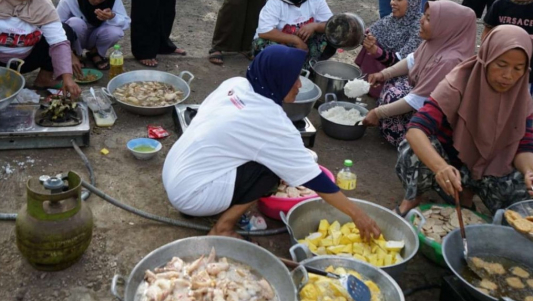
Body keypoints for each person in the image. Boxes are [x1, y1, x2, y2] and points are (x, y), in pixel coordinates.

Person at [162, 45, 381, 240]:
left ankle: (205, 205)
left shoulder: (236, 84)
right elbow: (314, 177)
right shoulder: (270, 121)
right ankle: (223, 227)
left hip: (175, 173)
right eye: (292, 79)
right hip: (192, 195)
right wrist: (357, 214)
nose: (298, 85)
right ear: (277, 80)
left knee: (258, 158)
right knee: (269, 171)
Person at [395, 25, 533, 217]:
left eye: (518, 68)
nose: (508, 76)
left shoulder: (520, 96)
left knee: (530, 196)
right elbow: (416, 129)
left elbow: (523, 145)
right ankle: (412, 199)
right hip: (451, 166)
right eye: (501, 64)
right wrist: (440, 167)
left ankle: (499, 223)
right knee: (411, 150)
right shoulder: (458, 82)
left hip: (490, 169)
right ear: (487, 58)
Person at [364, 1, 477, 147]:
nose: (421, 20)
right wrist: (384, 74)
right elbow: (412, 60)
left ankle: (406, 139)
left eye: (429, 19)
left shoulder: (450, 60)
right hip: (421, 93)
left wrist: (378, 113)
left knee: (393, 96)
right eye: (425, 15)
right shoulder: (436, 41)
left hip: (434, 113)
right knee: (393, 82)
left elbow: (419, 99)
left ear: (447, 27)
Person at [354, 0, 423, 99]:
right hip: (384, 64)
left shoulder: (419, 26)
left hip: (399, 72)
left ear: (412, 2)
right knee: (372, 41)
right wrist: (365, 39)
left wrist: (376, 50)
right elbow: (366, 33)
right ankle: (369, 85)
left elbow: (402, 62)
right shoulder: (390, 19)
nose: (393, 3)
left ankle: (382, 92)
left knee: (374, 47)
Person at [57, 0, 130, 72]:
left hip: (97, 35)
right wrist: (69, 53)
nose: (97, 0)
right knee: (75, 22)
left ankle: (96, 53)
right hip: (76, 37)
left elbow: (126, 22)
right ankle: (76, 54)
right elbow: (57, 24)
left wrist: (112, 17)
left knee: (115, 31)